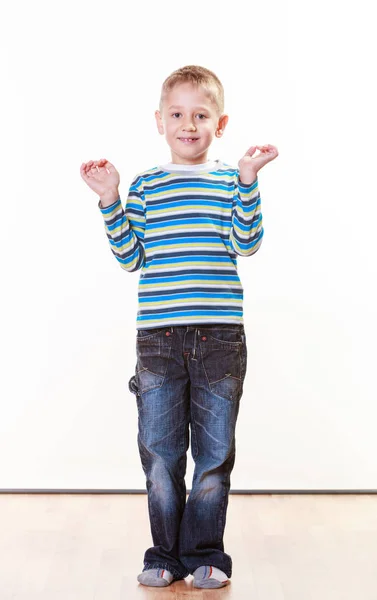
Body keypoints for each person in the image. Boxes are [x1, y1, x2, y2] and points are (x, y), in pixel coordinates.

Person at [80, 64, 278, 589]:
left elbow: (247, 242)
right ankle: (165, 554)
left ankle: (206, 554)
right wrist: (110, 199)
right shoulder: (147, 186)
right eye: (177, 114)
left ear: (221, 121)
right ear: (159, 122)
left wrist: (248, 180)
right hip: (159, 342)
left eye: (200, 114)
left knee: (213, 458)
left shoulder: (228, 182)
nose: (188, 124)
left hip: (220, 337)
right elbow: (130, 256)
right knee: (161, 455)